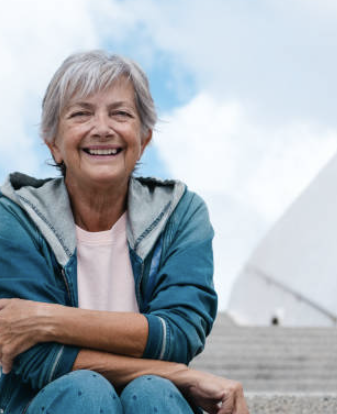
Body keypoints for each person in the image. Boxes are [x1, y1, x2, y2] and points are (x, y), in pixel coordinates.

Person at [0, 50, 248, 414]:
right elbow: (36, 358)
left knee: (153, 392)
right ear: (53, 144)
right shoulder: (14, 214)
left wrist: (47, 319)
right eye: (81, 113)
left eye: (120, 114)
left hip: (157, 401)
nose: (102, 128)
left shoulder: (181, 213)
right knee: (86, 390)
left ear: (144, 139)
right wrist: (181, 375)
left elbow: (179, 334)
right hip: (49, 403)